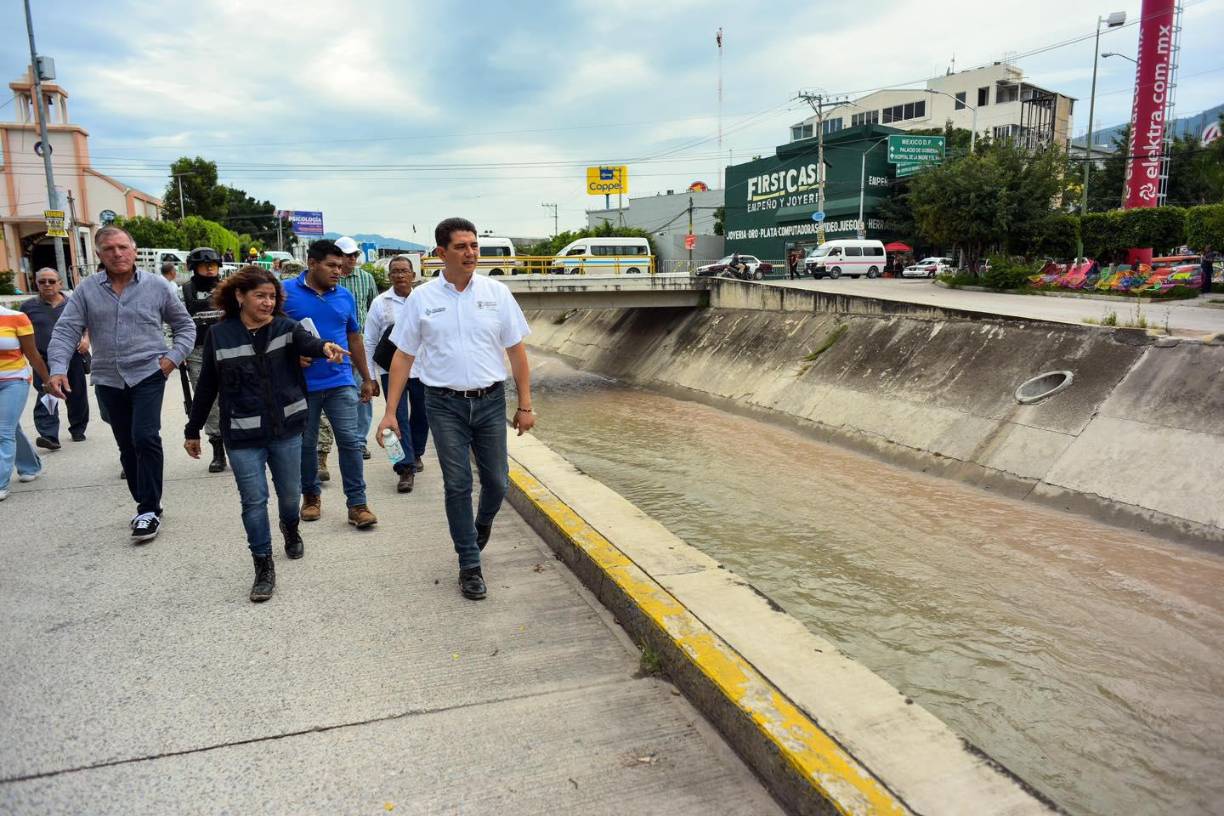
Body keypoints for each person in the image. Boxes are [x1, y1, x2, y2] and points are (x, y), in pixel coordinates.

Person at [377, 217, 535, 601]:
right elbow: (403, 357)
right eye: (462, 246)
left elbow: (516, 350)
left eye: (474, 245)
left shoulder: (496, 293)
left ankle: (480, 525)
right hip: (443, 404)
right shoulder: (422, 299)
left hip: (490, 402)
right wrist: (390, 411)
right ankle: (469, 564)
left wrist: (526, 405)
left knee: (497, 481)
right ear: (440, 253)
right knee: (459, 484)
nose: (471, 253)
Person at [184, 266, 350, 602]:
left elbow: (310, 342)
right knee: (254, 501)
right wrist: (193, 429)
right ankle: (263, 565)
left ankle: (290, 527)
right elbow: (207, 386)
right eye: (260, 295)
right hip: (242, 435)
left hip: (286, 430)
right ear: (240, 296)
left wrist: (326, 348)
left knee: (290, 496)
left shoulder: (286, 328)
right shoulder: (220, 334)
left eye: (272, 296)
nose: (268, 302)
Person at [46, 226, 196, 542]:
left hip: (148, 373)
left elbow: (185, 326)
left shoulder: (157, 286)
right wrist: (57, 369)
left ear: (134, 249)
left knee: (144, 436)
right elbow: (65, 331)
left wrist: (171, 359)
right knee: (126, 443)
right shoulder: (87, 290)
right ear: (99, 255)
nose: (118, 253)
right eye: (109, 249)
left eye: (123, 247)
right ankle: (146, 505)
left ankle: (148, 509)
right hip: (108, 378)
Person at [282, 239, 378, 528]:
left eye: (341, 265)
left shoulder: (345, 296)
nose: (338, 270)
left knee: (350, 441)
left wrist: (367, 377)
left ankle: (357, 505)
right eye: (331, 265)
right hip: (301, 385)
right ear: (312, 263)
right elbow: (270, 332)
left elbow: (354, 339)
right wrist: (293, 355)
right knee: (306, 444)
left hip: (340, 381)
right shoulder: (285, 293)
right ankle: (310, 497)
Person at [363, 255, 428, 493]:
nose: (400, 275)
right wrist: (369, 376)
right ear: (389, 276)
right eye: (395, 271)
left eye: (404, 271)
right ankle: (403, 468)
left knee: (423, 414)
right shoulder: (380, 303)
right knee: (394, 420)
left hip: (423, 369)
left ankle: (416, 453)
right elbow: (369, 341)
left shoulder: (424, 300)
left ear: (413, 275)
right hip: (391, 370)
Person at [20, 268, 90, 448]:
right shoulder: (28, 307)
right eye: (42, 281)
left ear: (60, 283)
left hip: (72, 356)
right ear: (36, 283)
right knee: (46, 393)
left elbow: (88, 323)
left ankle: (78, 428)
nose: (47, 285)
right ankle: (49, 435)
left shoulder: (73, 303)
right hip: (42, 358)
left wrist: (86, 339)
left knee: (75, 394)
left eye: (51, 281)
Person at [180, 247, 229, 472]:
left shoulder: (230, 288)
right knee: (207, 402)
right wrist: (176, 351)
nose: (210, 269)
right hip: (197, 352)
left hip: (228, 349)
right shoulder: (184, 292)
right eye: (204, 265)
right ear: (194, 267)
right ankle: (217, 449)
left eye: (213, 265)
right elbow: (173, 322)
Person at [0, 305, 51, 500]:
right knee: (9, 428)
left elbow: (32, 354)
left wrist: (47, 380)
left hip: (14, 380)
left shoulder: (16, 318)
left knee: (3, 431)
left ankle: (1, 484)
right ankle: (30, 465)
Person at [335, 236, 378, 460]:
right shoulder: (330, 280)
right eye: (347, 255)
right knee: (339, 396)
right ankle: (341, 440)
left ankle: (359, 441)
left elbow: (373, 308)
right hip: (335, 347)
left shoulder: (366, 278)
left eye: (354, 255)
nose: (352, 259)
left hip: (360, 345)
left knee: (364, 393)